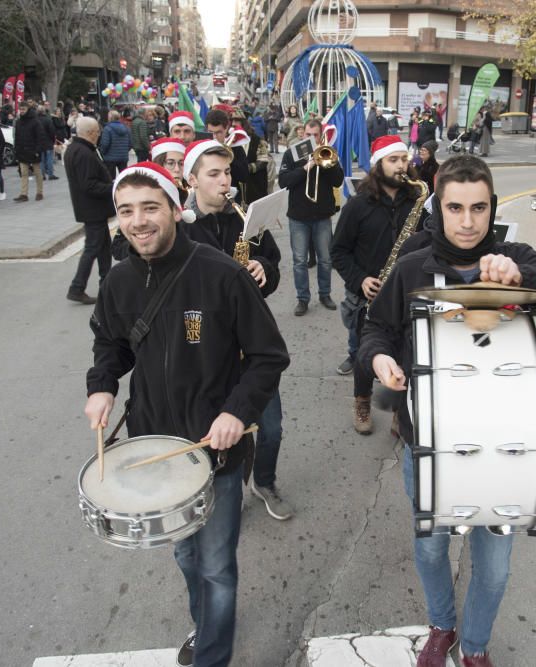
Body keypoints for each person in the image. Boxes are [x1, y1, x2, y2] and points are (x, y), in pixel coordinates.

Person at [358, 154, 536, 667]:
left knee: (494, 569)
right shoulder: (412, 266)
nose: (468, 220)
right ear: (439, 208)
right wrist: (381, 359)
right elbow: (375, 330)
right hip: (429, 443)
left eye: (478, 208)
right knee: (432, 549)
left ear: (491, 206)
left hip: (505, 446)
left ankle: (474, 647)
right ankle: (442, 624)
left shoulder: (514, 257)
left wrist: (520, 274)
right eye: (455, 208)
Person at [84, 161, 289, 667]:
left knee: (217, 564)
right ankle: (207, 626)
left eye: (150, 208)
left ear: (176, 209)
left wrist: (237, 414)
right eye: (126, 211)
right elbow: (110, 345)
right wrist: (102, 387)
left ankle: (212, 656)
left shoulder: (221, 273)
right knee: (184, 553)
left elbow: (269, 356)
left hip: (215, 450)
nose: (138, 221)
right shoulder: (119, 283)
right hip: (158, 448)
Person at [182, 139, 292, 522]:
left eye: (227, 172)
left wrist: (263, 268)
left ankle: (264, 481)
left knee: (272, 428)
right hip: (206, 349)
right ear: (192, 180)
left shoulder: (245, 217)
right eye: (213, 174)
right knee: (215, 430)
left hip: (252, 344)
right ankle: (221, 492)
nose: (224, 180)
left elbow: (273, 265)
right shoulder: (180, 228)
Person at [331, 134, 425, 432]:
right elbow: (338, 251)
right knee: (364, 354)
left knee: (404, 352)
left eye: (403, 159)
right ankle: (362, 400)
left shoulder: (418, 202)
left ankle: (399, 408)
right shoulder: (357, 205)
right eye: (393, 160)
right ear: (378, 165)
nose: (401, 166)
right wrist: (361, 280)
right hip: (367, 295)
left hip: (406, 292)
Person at [278, 119, 344, 316]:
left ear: (320, 134)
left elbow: (338, 180)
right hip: (298, 216)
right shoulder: (292, 153)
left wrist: (326, 163)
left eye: (315, 135)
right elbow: (283, 181)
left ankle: (325, 295)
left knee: (325, 259)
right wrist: (305, 168)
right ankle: (303, 299)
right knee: (299, 261)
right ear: (302, 134)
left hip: (322, 215)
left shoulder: (328, 152)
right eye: (308, 134)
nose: (311, 138)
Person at [63, 116, 116, 304]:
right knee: (93, 248)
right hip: (92, 209)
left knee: (103, 248)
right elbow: (89, 185)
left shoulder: (75, 149)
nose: (99, 135)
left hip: (92, 209)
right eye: (98, 132)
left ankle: (107, 284)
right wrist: (114, 187)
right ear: (91, 133)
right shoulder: (83, 153)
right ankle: (77, 287)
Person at [205, 108, 250, 204]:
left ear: (226, 129)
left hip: (230, 200)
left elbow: (244, 176)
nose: (214, 137)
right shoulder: (201, 148)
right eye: (210, 133)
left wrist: (228, 157)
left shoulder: (236, 148)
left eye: (218, 132)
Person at [13, 106, 45, 203]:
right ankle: (24, 194)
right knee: (23, 173)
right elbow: (17, 137)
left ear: (28, 110)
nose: (22, 111)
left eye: (23, 109)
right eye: (21, 109)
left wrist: (37, 150)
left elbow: (40, 137)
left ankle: (39, 192)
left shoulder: (35, 122)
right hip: (22, 151)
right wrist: (16, 150)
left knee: (37, 172)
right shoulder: (18, 122)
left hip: (33, 151)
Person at [98, 110, 131, 178]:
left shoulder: (107, 129)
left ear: (109, 118)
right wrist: (124, 150)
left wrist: (102, 153)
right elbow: (130, 143)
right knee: (124, 178)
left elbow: (105, 144)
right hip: (123, 157)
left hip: (110, 158)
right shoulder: (126, 128)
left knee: (110, 179)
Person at [38, 107, 58, 180]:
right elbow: (52, 131)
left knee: (41, 159)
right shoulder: (48, 120)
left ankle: (42, 175)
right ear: (44, 112)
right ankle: (50, 174)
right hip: (48, 141)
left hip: (39, 142)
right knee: (49, 159)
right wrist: (53, 140)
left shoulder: (35, 120)